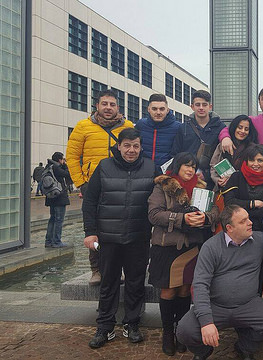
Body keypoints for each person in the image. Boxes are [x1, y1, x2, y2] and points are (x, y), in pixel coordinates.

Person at [176, 205, 263, 360]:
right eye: (243, 221)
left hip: (248, 304)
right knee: (184, 331)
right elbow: (200, 284)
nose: (250, 223)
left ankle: (244, 347)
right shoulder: (211, 247)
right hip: (216, 306)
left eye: (248, 218)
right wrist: (207, 322)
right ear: (229, 228)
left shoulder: (259, 240)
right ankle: (204, 351)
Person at [81, 128, 155, 349]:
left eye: (135, 146)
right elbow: (90, 202)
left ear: (141, 147)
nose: (131, 150)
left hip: (138, 236)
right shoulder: (104, 167)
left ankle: (132, 323)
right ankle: (105, 326)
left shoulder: (151, 167)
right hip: (109, 237)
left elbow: (160, 199)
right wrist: (90, 232)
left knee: (135, 282)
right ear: (119, 146)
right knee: (108, 283)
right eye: (127, 145)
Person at [147, 152, 219, 355]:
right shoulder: (163, 186)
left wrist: (204, 218)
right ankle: (168, 333)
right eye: (186, 166)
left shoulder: (202, 188)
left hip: (192, 248)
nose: (189, 170)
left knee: (185, 290)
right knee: (169, 290)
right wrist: (182, 219)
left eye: (193, 166)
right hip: (167, 248)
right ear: (177, 166)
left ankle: (181, 331)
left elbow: (215, 212)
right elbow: (154, 214)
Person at [66, 89, 134, 285]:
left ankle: (118, 268)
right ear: (97, 105)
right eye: (104, 104)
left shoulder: (127, 126)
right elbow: (71, 157)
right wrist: (81, 182)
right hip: (93, 185)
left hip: (121, 185)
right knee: (93, 227)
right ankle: (96, 269)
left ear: (118, 108)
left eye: (112, 105)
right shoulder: (83, 126)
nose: (108, 108)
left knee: (120, 228)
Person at [170, 90, 226, 190]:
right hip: (186, 180)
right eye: (197, 104)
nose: (201, 108)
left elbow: (222, 157)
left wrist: (207, 175)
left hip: (211, 183)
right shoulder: (183, 128)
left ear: (210, 106)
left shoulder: (221, 128)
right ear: (192, 106)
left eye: (204, 105)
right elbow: (176, 154)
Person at [223, 144, 263, 231]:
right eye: (251, 160)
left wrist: (243, 206)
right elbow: (229, 202)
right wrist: (252, 203)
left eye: (260, 160)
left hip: (262, 229)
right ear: (246, 161)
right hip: (237, 228)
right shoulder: (236, 177)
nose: (255, 164)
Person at [135, 93, 181, 173]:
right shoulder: (141, 125)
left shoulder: (178, 127)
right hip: (142, 172)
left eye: (162, 109)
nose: (158, 112)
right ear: (148, 109)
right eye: (154, 109)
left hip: (167, 174)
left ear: (167, 110)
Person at [210, 115, 259, 189]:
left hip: (243, 189)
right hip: (222, 189)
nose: (242, 131)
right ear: (234, 127)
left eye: (246, 129)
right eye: (240, 127)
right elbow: (213, 165)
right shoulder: (224, 144)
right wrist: (218, 180)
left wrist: (234, 178)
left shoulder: (252, 148)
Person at [44, 152, 70, 248]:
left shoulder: (48, 167)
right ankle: (56, 241)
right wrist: (66, 165)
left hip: (51, 197)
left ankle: (48, 241)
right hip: (59, 197)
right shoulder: (56, 168)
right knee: (59, 220)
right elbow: (67, 174)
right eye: (63, 159)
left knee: (52, 219)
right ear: (59, 159)